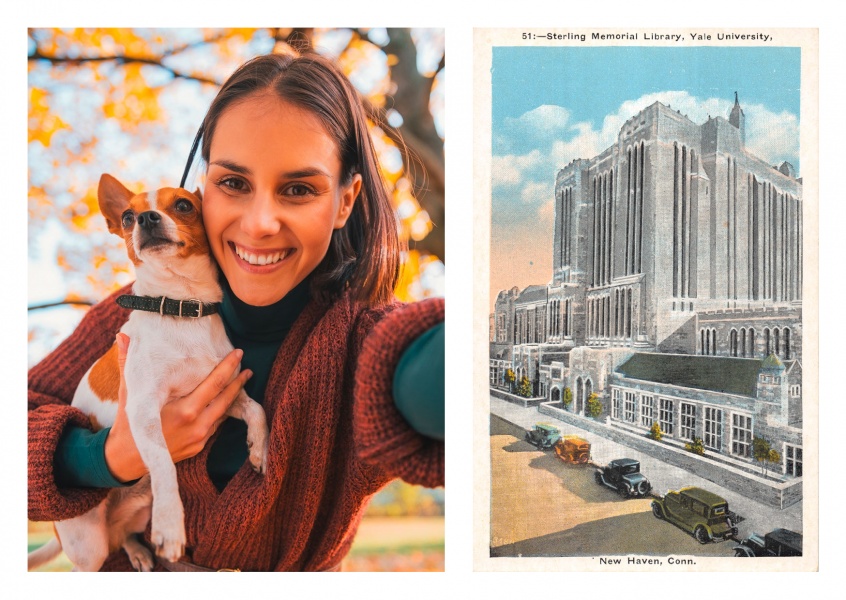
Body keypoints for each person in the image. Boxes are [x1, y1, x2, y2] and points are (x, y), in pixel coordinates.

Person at [28, 50, 445, 572]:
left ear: (344, 201)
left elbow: (431, 377)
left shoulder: (364, 342)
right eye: (234, 183)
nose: (259, 224)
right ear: (204, 191)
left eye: (298, 189)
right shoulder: (127, 314)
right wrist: (107, 457)